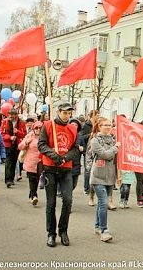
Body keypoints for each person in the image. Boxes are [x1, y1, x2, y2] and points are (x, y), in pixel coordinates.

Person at [37, 102, 79, 248]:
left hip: (66, 168)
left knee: (67, 200)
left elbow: (75, 149)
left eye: (69, 113)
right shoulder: (48, 125)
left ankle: (63, 231)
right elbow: (41, 144)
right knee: (51, 202)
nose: (67, 115)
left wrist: (65, 157)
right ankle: (51, 233)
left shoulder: (73, 128)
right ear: (59, 112)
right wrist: (54, 156)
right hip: (50, 167)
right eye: (65, 113)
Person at [88, 117, 120, 242]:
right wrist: (115, 148)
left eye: (109, 125)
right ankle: (104, 230)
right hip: (98, 176)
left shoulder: (113, 140)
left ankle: (97, 225)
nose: (108, 127)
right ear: (99, 127)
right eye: (105, 125)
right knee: (103, 202)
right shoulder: (95, 141)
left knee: (102, 203)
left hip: (110, 176)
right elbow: (105, 154)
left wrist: (118, 175)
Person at [0, 108, 27, 188]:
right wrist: (10, 137)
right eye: (11, 114)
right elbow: (2, 133)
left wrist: (17, 132)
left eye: (14, 114)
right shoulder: (5, 122)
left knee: (14, 161)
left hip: (17, 145)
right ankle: (8, 179)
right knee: (8, 162)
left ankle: (11, 179)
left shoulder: (21, 122)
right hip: (8, 144)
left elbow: (24, 134)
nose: (12, 116)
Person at [18, 121, 43, 205]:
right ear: (33, 128)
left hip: (40, 162)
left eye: (40, 128)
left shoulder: (44, 137)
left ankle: (31, 195)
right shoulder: (30, 136)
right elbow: (20, 147)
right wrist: (26, 142)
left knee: (37, 179)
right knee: (32, 179)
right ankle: (34, 196)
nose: (38, 130)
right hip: (30, 161)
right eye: (36, 128)